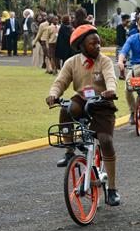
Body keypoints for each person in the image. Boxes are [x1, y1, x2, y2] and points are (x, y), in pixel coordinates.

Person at [46, 24, 122, 206]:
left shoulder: (104, 61)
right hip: (82, 100)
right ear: (81, 46)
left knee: (105, 141)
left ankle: (112, 189)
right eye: (92, 43)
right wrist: (53, 94)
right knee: (66, 108)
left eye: (98, 43)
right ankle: (69, 150)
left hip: (102, 103)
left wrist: (110, 90)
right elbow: (60, 81)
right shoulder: (71, 62)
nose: (97, 46)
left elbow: (111, 78)